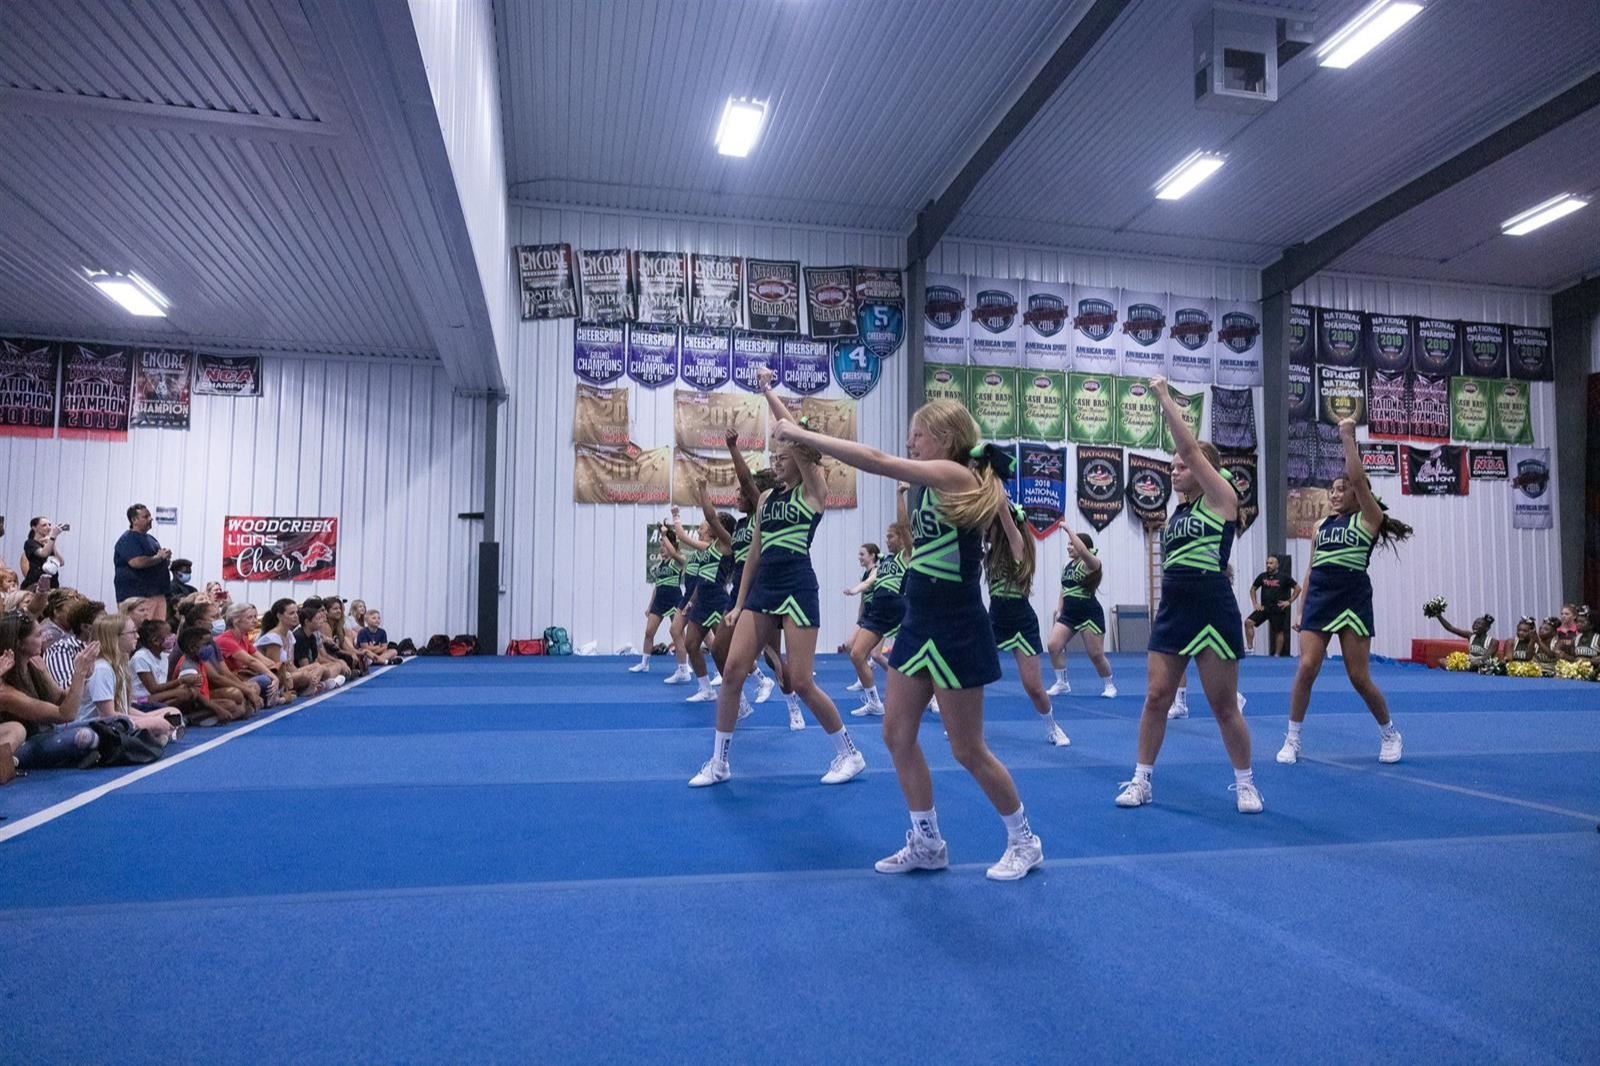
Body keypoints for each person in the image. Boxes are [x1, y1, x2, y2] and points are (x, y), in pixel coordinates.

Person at [773, 395, 1043, 880]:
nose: (910, 442)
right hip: (920, 618)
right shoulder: (923, 488)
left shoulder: (957, 476)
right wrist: (796, 431)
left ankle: (1024, 840)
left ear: (947, 438)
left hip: (957, 621)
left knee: (967, 749)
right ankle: (927, 841)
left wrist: (804, 435)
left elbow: (875, 460)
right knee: (897, 735)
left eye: (918, 434)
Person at [688, 367, 864, 788]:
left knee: (800, 681)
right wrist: (738, 603)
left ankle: (849, 753)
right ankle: (719, 762)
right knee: (732, 670)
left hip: (798, 585)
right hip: (762, 588)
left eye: (782, 456)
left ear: (798, 460)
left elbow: (797, 436)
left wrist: (768, 391)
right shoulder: (766, 499)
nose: (776, 462)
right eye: (773, 458)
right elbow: (752, 554)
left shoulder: (813, 493)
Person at [1117, 377, 1259, 814]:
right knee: (1156, 696)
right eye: (1174, 466)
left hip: (1212, 605)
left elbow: (1194, 452)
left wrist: (1163, 397)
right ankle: (1142, 779)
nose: (1174, 470)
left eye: (1179, 466)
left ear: (1202, 471)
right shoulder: (1176, 513)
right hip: (1175, 607)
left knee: (1222, 705)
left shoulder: (1222, 498)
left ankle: (1245, 782)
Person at [1279, 418, 1412, 766]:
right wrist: (1300, 608)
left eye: (1342, 489)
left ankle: (1389, 733)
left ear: (1357, 492)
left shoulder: (1370, 517)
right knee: (1307, 667)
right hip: (1321, 596)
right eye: (1332, 491)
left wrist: (1346, 438)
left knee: (1358, 677)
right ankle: (1292, 739)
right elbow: (1310, 569)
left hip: (1352, 596)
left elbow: (1356, 476)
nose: (1336, 494)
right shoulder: (1322, 525)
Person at [718, 428, 800, 728]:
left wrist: (733, 448)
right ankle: (742, 696)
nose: (739, 496)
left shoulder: (761, 506)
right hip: (741, 589)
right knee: (719, 648)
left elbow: (746, 481)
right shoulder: (741, 524)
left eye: (743, 493)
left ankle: (793, 705)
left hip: (766, 588)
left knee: (774, 657)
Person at [989, 501, 1070, 746]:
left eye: (990, 525)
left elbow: (1004, 514)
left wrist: (995, 487)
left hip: (1020, 619)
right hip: (995, 617)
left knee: (1034, 687)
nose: (986, 529)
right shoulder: (989, 550)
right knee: (971, 674)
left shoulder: (1018, 546)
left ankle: (1052, 727)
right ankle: (964, 725)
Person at [0, 614, 104, 769]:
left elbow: (61, 699)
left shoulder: (35, 664)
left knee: (118, 723)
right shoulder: (6, 692)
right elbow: (66, 714)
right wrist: (79, 673)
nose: (46, 638)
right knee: (86, 737)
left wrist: (83, 677)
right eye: (38, 635)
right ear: (19, 643)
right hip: (26, 743)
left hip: (46, 732)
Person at [847, 510, 910, 718]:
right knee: (856, 654)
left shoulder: (905, 556)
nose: (887, 540)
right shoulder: (883, 562)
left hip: (897, 608)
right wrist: (856, 590)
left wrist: (901, 494)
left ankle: (933, 696)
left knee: (914, 658)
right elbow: (870, 581)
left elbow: (904, 524)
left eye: (890, 536)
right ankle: (874, 702)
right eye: (886, 537)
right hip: (878, 611)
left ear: (900, 537)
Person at [1044, 522, 1116, 698]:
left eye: (1072, 544)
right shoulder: (1067, 567)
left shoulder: (1092, 563)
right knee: (1053, 645)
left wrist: (1069, 529)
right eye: (1068, 544)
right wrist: (1059, 609)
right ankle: (1062, 682)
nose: (1069, 547)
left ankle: (1109, 684)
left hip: (1088, 613)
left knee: (1095, 654)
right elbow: (1064, 589)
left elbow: (1084, 552)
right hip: (1069, 614)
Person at [78, 613, 177, 742]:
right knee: (159, 724)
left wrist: (148, 717)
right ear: (115, 638)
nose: (137, 636)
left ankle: (154, 735)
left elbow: (123, 707)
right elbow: (108, 716)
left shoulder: (119, 665)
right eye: (132, 633)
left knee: (173, 712)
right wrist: (152, 722)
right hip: (98, 728)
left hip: (118, 720)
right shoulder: (102, 669)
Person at [630, 524, 684, 673]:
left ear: (671, 546)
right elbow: (657, 587)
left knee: (678, 634)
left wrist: (665, 536)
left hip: (674, 600)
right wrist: (649, 606)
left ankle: (684, 666)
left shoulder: (677, 562)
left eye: (664, 546)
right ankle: (644, 663)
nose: (661, 549)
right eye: (660, 546)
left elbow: (674, 553)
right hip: (660, 601)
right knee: (649, 632)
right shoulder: (659, 565)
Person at [663, 506, 705, 685]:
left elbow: (682, 536)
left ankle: (721, 671)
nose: (698, 531)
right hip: (687, 597)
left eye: (701, 528)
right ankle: (683, 670)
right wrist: (665, 536)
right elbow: (673, 553)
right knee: (674, 630)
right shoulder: (692, 556)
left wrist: (676, 516)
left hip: (700, 597)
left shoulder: (708, 549)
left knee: (711, 639)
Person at [216, 602, 289, 705]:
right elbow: (251, 661)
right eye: (250, 618)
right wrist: (273, 676)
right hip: (232, 680)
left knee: (280, 674)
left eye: (255, 617)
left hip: (243, 676)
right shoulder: (225, 639)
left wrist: (281, 671)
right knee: (265, 679)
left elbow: (261, 659)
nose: (255, 621)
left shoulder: (243, 639)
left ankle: (271, 697)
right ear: (236, 620)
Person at [170, 625, 248, 721]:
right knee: (231, 706)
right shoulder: (189, 668)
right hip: (192, 705)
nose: (210, 647)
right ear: (192, 647)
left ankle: (213, 718)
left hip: (203, 700)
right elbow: (194, 696)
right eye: (206, 644)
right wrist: (217, 709)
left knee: (241, 709)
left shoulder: (199, 660)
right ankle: (191, 719)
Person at [257, 599, 330, 694]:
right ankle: (308, 687)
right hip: (274, 676)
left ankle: (311, 685)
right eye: (291, 613)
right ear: (279, 616)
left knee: (319, 667)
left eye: (297, 612)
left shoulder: (290, 635)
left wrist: (307, 674)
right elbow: (275, 668)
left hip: (287, 673)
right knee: (306, 675)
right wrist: (304, 676)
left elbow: (291, 665)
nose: (296, 616)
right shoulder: (272, 638)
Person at [113, 504, 172, 621]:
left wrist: (164, 559)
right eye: (146, 517)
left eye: (150, 516)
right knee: (140, 631)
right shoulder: (127, 539)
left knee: (157, 632)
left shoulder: (151, 539)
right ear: (134, 520)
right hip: (138, 596)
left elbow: (155, 560)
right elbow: (137, 562)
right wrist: (160, 557)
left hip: (156, 593)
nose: (151, 519)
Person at [1245, 555, 1299, 656]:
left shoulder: (1284, 577)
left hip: (1278, 608)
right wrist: (1255, 603)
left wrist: (1289, 601)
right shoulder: (1262, 576)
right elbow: (1253, 589)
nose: (1268, 565)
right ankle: (1250, 648)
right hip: (1264, 607)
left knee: (1278, 631)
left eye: (1271, 563)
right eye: (1267, 563)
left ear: (1277, 565)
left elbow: (1298, 588)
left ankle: (1277, 654)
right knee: (1248, 622)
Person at [44, 598, 105, 689]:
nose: (109, 626)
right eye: (103, 622)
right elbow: (64, 686)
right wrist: (85, 674)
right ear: (85, 627)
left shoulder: (108, 648)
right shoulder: (61, 648)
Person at [294, 597, 350, 686]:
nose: (321, 622)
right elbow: (304, 665)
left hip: (312, 668)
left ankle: (324, 681)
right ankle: (321, 684)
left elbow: (316, 659)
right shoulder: (299, 637)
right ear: (307, 622)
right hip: (301, 671)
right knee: (320, 668)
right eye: (318, 619)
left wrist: (334, 664)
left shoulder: (312, 636)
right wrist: (321, 669)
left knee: (335, 666)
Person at [842, 543, 880, 664]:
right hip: (866, 615)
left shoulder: (877, 571)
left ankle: (888, 674)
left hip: (876, 614)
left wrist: (852, 590)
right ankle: (863, 675)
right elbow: (863, 600)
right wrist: (858, 620)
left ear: (872, 556)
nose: (859, 557)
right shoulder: (863, 575)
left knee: (876, 655)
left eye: (862, 554)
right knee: (848, 645)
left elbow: (867, 584)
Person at [20, 515, 67, 589]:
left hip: (52, 584)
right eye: (44, 525)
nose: (48, 527)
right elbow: (43, 553)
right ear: (34, 528)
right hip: (35, 583)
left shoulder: (50, 543)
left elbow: (61, 562)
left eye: (49, 525)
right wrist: (53, 537)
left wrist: (52, 544)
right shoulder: (30, 543)